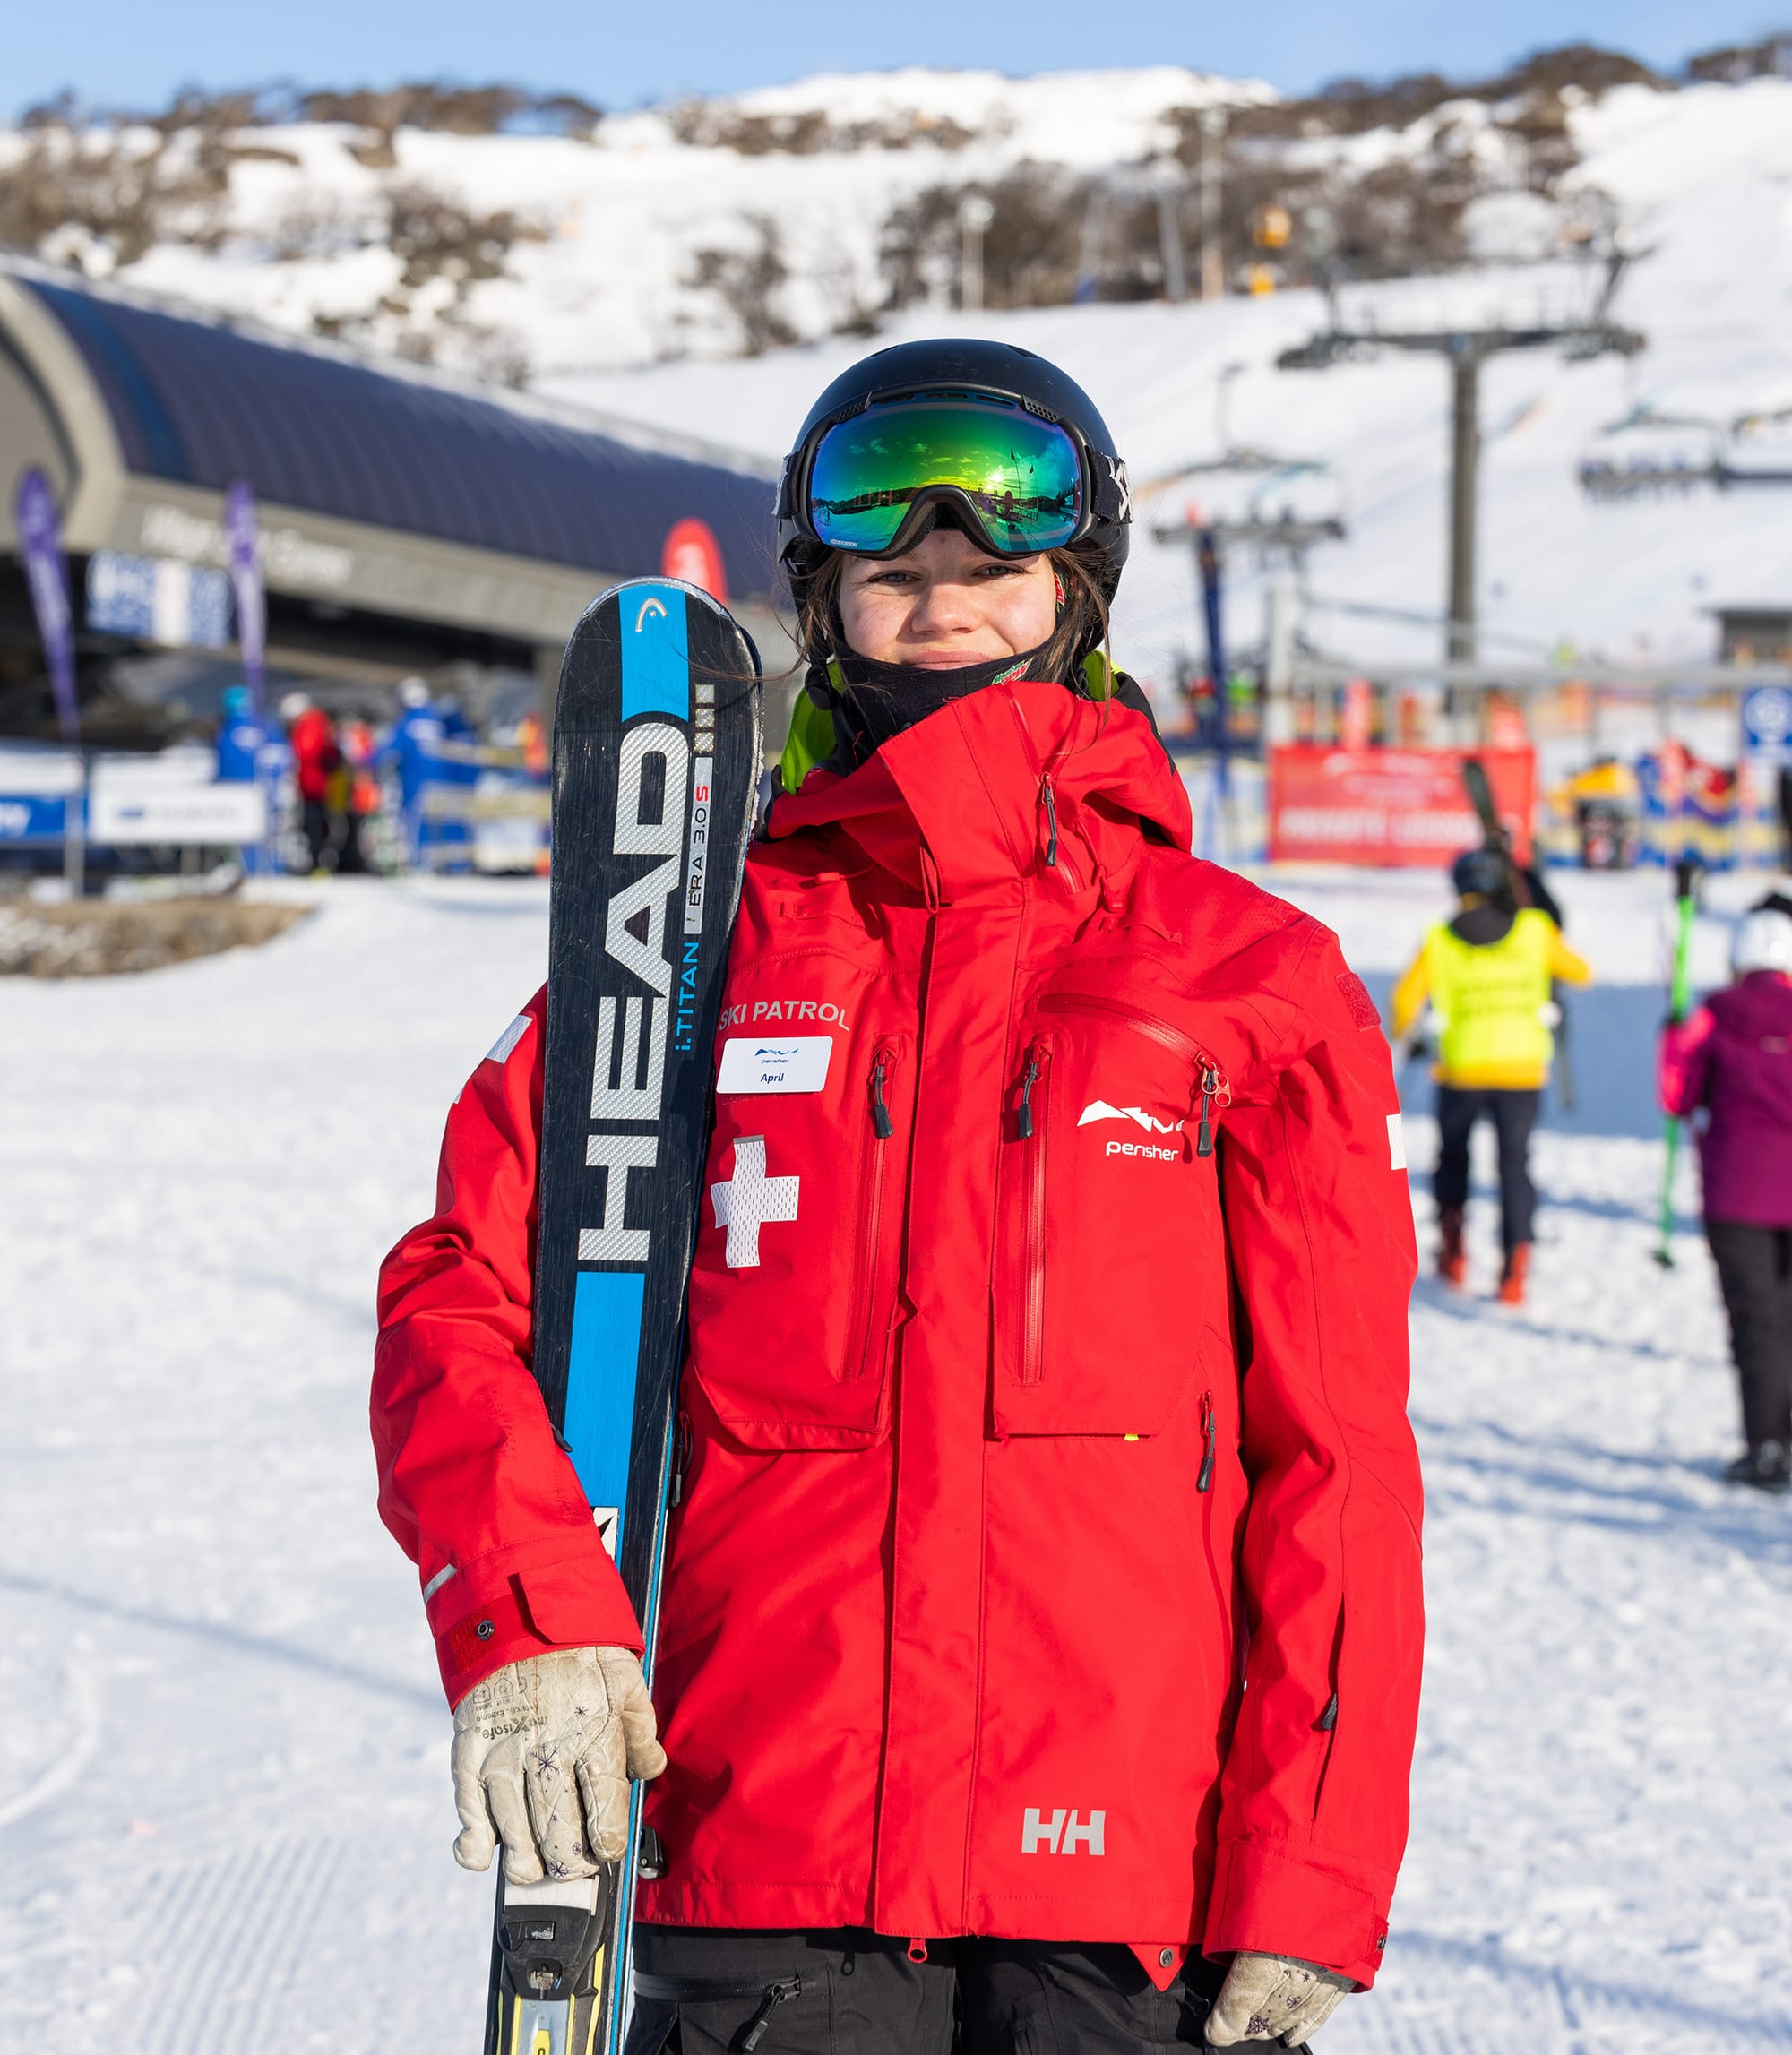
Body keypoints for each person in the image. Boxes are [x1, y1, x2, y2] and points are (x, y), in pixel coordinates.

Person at [373, 340, 1425, 2052]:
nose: (944, 606)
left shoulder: (1249, 974)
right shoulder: (683, 955)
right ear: (824, 600)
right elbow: (458, 1289)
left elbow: (1341, 1466)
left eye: (993, 569)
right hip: (757, 1852)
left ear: (1074, 595)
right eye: (894, 574)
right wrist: (527, 1613)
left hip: (1121, 1884)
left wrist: (1309, 1865)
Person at [1389, 846, 1592, 1305]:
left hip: (1460, 1069)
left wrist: (1410, 1035)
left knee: (1453, 1160)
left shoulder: (1439, 938)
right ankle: (1514, 1268)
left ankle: (1455, 1253)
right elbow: (1582, 971)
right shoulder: (1534, 931)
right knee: (1514, 1166)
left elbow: (1404, 1003)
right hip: (1521, 1072)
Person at [1658, 899, 1792, 1492]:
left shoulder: (1711, 1015)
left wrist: (1672, 1038)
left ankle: (1765, 1445)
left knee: (1755, 1321)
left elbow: (1677, 1096)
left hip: (1736, 1194)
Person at [281, 691, 340, 873]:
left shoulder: (310, 725)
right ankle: (317, 860)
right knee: (315, 822)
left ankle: (316, 862)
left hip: (312, 784)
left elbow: (305, 753)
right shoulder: (319, 724)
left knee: (313, 824)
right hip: (317, 783)